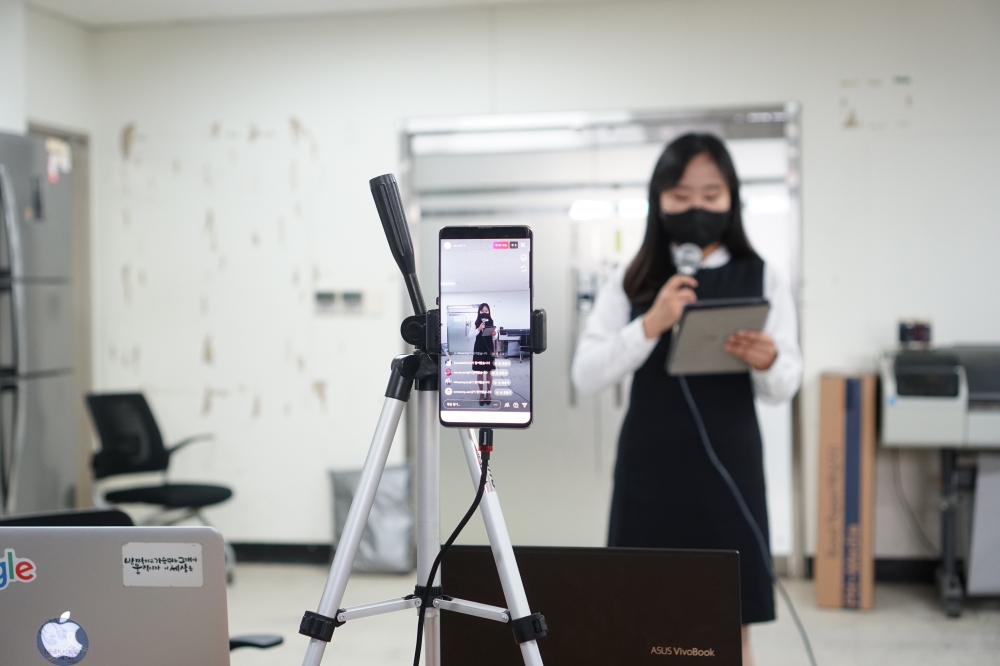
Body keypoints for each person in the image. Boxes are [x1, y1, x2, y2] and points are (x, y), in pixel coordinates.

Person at [571, 133, 801, 666]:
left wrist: (769, 361)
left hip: (731, 472)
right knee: (641, 614)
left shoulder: (762, 275)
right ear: (658, 201)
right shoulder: (633, 277)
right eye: (680, 196)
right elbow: (585, 375)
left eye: (710, 194)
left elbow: (786, 385)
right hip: (649, 472)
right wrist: (649, 325)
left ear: (732, 198)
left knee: (729, 618)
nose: (696, 208)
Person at [470, 303, 498, 404]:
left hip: (489, 349)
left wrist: (494, 334)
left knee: (489, 371)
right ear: (479, 312)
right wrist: (479, 329)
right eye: (482, 311)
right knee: (480, 372)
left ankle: (488, 393)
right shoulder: (475, 322)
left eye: (486, 311)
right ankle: (481, 394)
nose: (484, 313)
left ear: (489, 312)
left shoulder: (492, 322)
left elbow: (495, 337)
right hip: (478, 348)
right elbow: (469, 336)